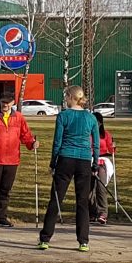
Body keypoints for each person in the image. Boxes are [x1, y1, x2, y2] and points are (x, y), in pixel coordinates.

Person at [37, 86, 100, 252]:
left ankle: (45, 238)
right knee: (82, 202)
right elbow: (96, 144)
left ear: (71, 97)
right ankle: (83, 241)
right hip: (84, 160)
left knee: (56, 199)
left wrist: (53, 163)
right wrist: (95, 164)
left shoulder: (63, 116)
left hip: (66, 159)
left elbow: (57, 141)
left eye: (66, 96)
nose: (65, 99)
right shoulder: (91, 118)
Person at [0, 93, 40, 227]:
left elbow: (26, 135)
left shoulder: (19, 118)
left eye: (7, 102)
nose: (5, 105)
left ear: (12, 103)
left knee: (5, 190)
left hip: (12, 160)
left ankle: (1, 218)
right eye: (3, 102)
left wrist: (32, 143)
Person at [90, 111, 115, 225]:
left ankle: (102, 213)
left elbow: (111, 149)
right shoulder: (87, 134)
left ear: (100, 123)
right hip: (89, 160)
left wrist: (113, 147)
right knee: (88, 188)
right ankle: (91, 212)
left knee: (101, 186)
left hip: (102, 161)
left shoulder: (106, 134)